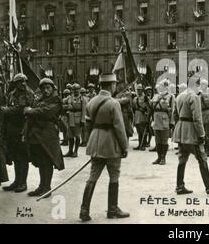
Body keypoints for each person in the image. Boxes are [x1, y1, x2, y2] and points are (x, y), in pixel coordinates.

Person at [80, 73, 129, 222]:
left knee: (92, 176)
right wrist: (124, 146)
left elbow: (87, 125)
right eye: (115, 84)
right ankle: (112, 209)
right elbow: (119, 128)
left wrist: (94, 138)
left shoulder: (91, 102)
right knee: (114, 175)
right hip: (111, 143)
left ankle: (84, 210)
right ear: (112, 85)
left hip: (95, 142)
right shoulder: (114, 103)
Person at [173, 81, 209, 195]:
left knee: (182, 158)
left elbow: (175, 114)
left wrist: (179, 127)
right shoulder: (194, 97)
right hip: (191, 132)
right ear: (195, 86)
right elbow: (197, 118)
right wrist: (201, 134)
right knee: (202, 158)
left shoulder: (179, 96)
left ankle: (179, 186)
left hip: (181, 130)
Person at [24, 78, 65, 198]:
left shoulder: (56, 100)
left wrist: (31, 111)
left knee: (47, 161)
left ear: (53, 88)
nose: (45, 90)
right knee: (41, 162)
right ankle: (42, 186)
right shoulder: (39, 100)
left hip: (49, 135)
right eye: (43, 88)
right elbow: (31, 114)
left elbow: (46, 112)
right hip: (37, 135)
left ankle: (47, 187)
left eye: (48, 88)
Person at [2, 73, 34, 193]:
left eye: (24, 81)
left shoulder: (28, 93)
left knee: (23, 156)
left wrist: (7, 110)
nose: (23, 83)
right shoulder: (11, 94)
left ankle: (23, 182)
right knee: (15, 156)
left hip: (23, 127)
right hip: (12, 128)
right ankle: (17, 181)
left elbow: (22, 109)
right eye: (20, 81)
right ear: (15, 83)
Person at [151, 79, 175, 165]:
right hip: (156, 119)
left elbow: (173, 110)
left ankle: (163, 158)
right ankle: (158, 157)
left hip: (165, 120)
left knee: (164, 140)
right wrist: (152, 120)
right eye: (162, 86)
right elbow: (152, 109)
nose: (163, 88)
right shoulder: (156, 96)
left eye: (165, 86)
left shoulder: (171, 96)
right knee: (157, 140)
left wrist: (172, 122)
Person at [64, 83, 86, 158]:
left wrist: (83, 120)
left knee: (77, 136)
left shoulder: (83, 99)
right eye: (74, 89)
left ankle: (75, 151)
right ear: (72, 90)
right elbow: (63, 103)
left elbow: (84, 110)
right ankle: (70, 151)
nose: (75, 91)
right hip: (70, 118)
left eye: (77, 89)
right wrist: (67, 108)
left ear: (80, 90)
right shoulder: (69, 98)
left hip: (78, 119)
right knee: (70, 136)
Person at [198, 79, 209, 157]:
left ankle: (207, 149)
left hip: (207, 114)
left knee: (207, 133)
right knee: (200, 132)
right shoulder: (198, 93)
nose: (202, 86)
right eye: (201, 84)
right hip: (199, 114)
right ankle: (201, 149)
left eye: (203, 84)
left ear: (206, 85)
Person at [133, 84, 151, 150]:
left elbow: (149, 108)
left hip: (143, 116)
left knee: (143, 131)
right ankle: (139, 144)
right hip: (137, 116)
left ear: (142, 90)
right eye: (137, 90)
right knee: (139, 132)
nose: (138, 91)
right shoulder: (135, 98)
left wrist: (148, 117)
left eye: (139, 90)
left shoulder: (145, 98)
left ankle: (143, 145)